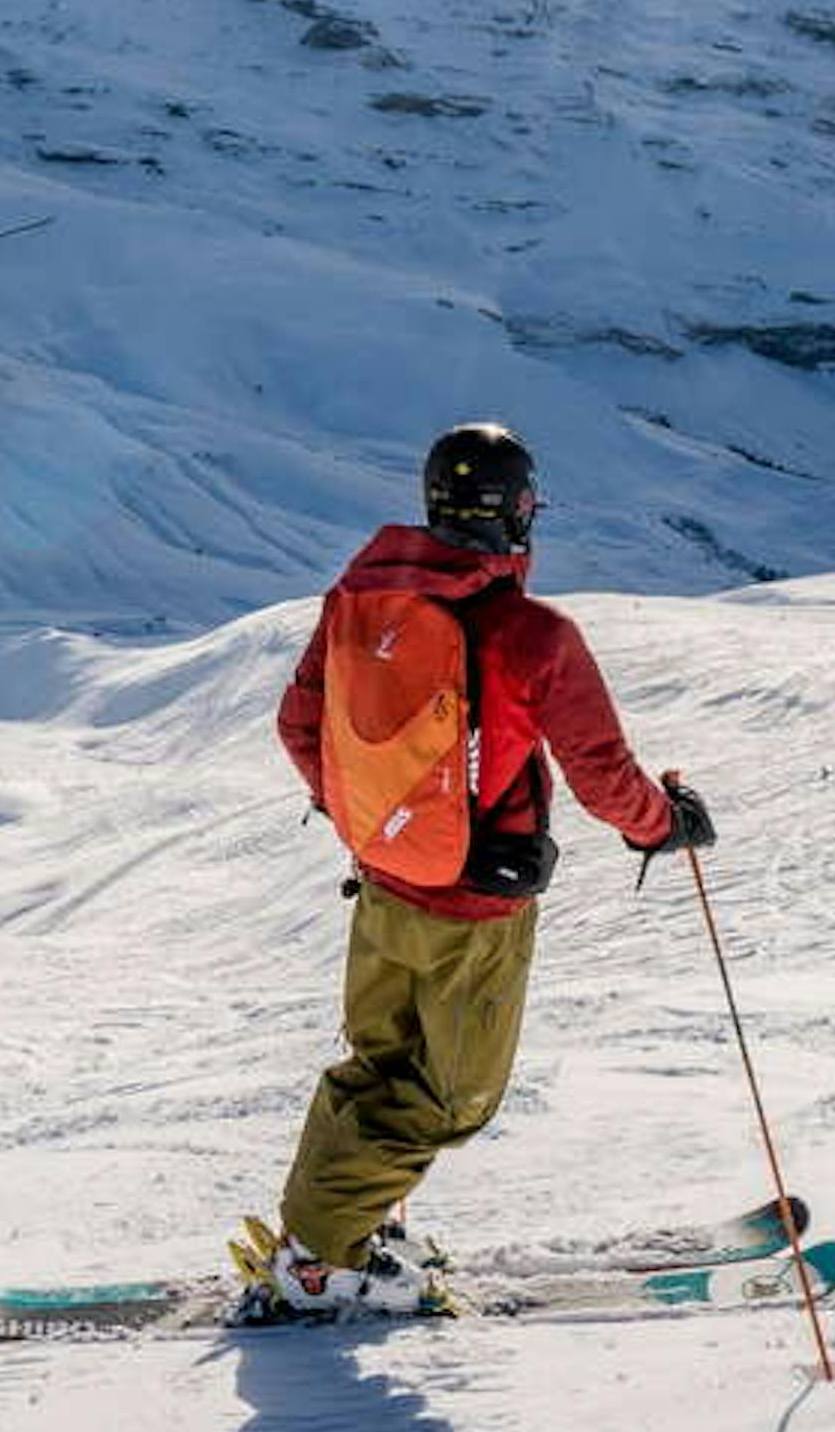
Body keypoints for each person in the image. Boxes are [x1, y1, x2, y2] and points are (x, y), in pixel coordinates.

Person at [236, 421, 715, 1320]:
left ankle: (335, 1233)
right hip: (473, 911)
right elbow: (604, 774)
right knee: (452, 1099)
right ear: (519, 514)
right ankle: (319, 1260)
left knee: (380, 1066)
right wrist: (663, 828)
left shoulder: (358, 602)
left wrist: (377, 817)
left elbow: (300, 727)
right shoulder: (532, 634)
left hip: (382, 883)